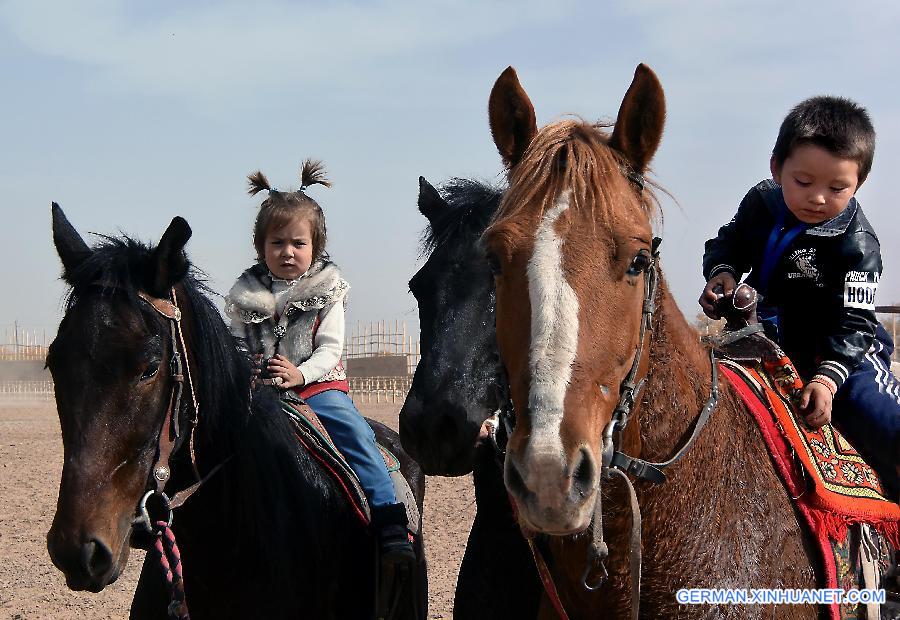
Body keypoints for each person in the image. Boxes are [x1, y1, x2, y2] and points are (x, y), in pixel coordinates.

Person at [699, 96, 899, 498]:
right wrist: (722, 272)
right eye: (803, 182)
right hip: (771, 336)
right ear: (777, 168)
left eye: (837, 187)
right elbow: (730, 242)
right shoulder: (762, 202)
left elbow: (856, 324)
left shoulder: (858, 244)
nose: (818, 198)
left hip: (843, 350)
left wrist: (826, 379)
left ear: (859, 182)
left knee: (882, 423)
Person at [225, 159, 416, 564]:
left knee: (356, 438)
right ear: (261, 248)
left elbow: (330, 349)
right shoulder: (245, 294)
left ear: (316, 247)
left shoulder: (327, 290)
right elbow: (236, 344)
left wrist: (299, 373)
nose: (288, 252)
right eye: (277, 243)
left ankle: (390, 520)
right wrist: (249, 370)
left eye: (298, 243)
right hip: (260, 390)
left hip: (319, 386)